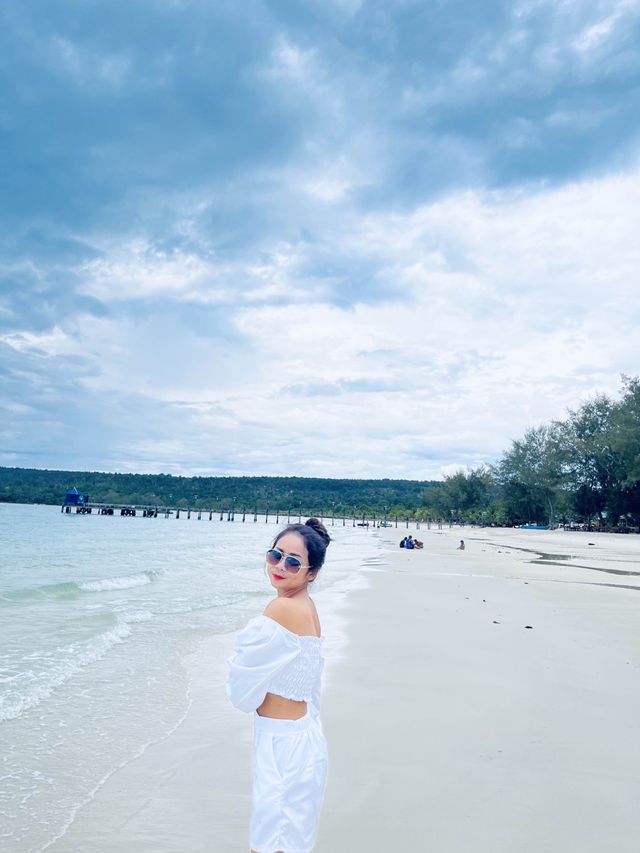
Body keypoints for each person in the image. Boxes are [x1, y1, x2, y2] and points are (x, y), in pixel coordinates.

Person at [226, 518, 331, 853]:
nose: (280, 566)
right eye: (276, 555)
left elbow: (240, 690)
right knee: (288, 840)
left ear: (311, 573)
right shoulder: (306, 605)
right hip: (300, 737)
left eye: (293, 562)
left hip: (284, 746)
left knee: (271, 842)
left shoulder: (282, 607)